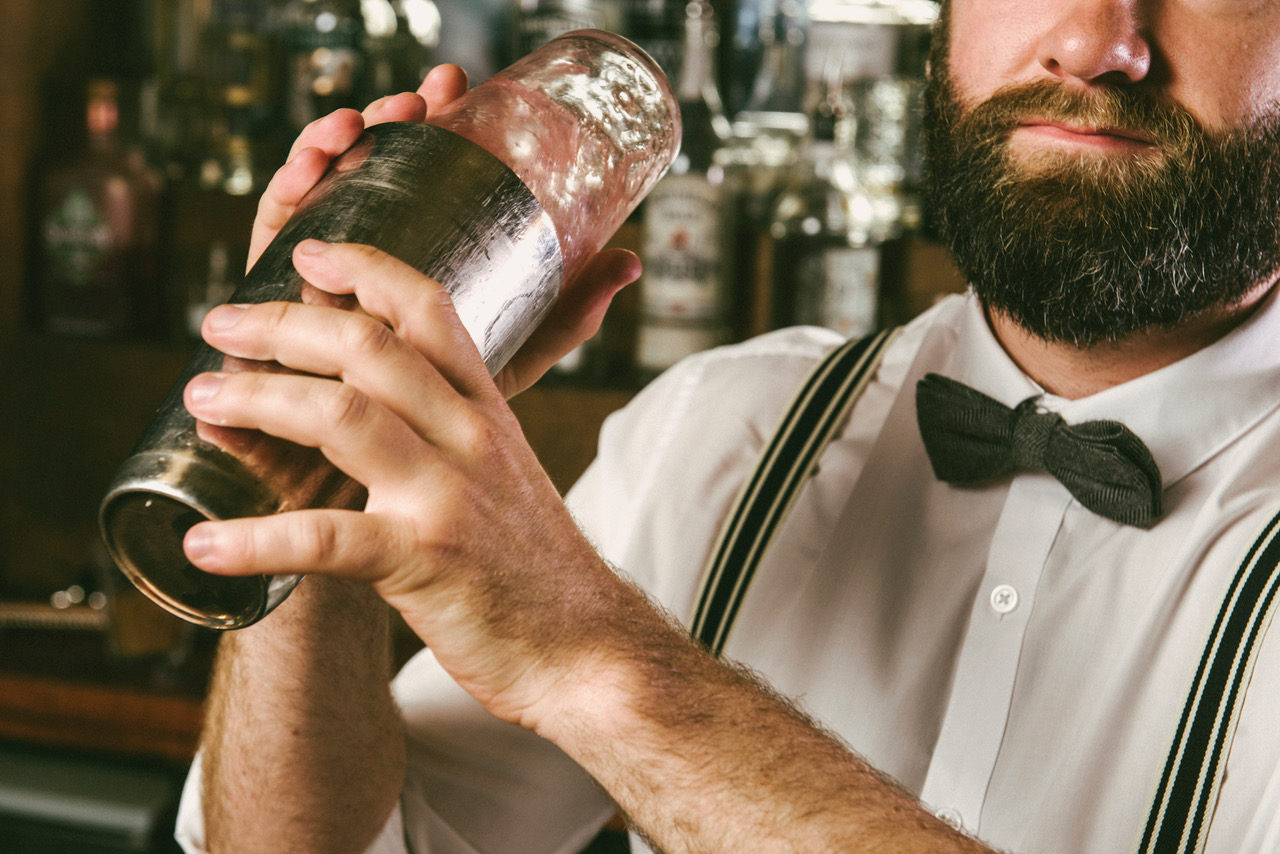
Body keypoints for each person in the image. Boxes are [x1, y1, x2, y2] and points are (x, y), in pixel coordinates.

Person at [173, 0, 1280, 851]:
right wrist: (319, 445)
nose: (1094, 43)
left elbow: (581, 651)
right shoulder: (720, 429)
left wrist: (594, 661)